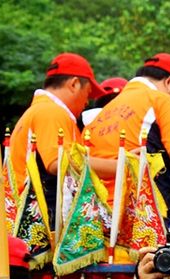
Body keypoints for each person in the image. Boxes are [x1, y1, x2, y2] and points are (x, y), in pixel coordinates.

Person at [84, 53, 170, 218]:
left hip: (98, 218)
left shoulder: (99, 117)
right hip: (145, 218)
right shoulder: (161, 100)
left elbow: (82, 164)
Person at [9, 52, 115, 219]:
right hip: (39, 223)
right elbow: (58, 162)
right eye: (87, 93)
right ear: (74, 84)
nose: (87, 102)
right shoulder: (51, 112)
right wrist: (122, 166)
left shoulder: (40, 110)